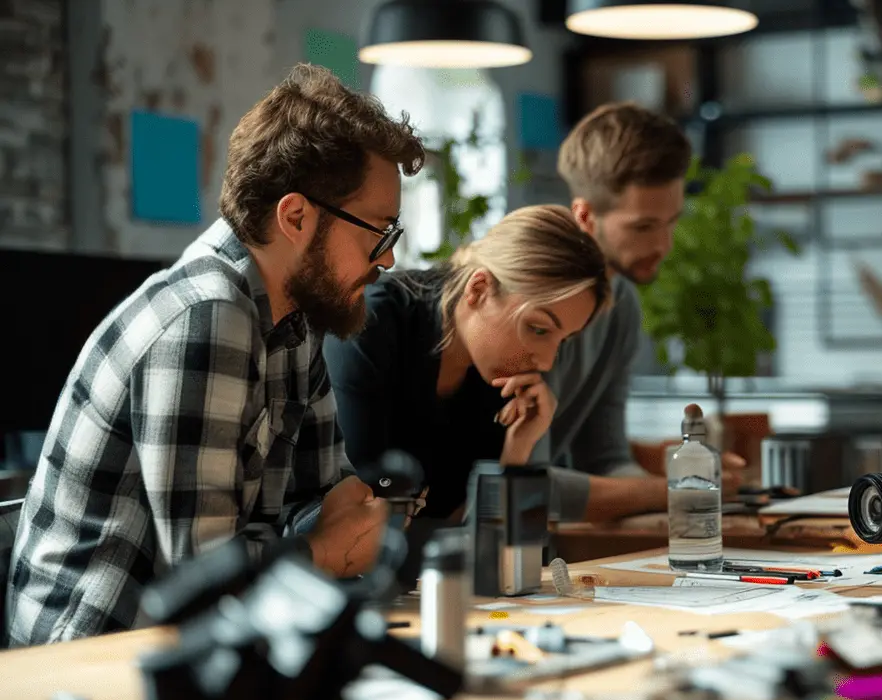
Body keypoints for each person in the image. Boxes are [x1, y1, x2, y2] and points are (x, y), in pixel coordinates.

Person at [6, 64, 425, 646]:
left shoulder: (295, 317)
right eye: (379, 233)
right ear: (296, 217)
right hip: (93, 658)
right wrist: (326, 550)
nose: (386, 261)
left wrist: (347, 514)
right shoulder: (205, 317)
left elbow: (320, 495)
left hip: (198, 644)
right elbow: (206, 575)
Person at [324, 205, 611, 523]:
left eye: (563, 340)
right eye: (538, 328)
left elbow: (478, 544)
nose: (545, 362)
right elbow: (362, 523)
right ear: (479, 289)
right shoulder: (371, 325)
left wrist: (517, 451)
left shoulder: (501, 381)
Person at [548, 102, 745, 522]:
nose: (664, 245)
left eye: (671, 222)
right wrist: (669, 491)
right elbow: (520, 484)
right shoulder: (535, 311)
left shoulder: (622, 307)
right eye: (643, 227)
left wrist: (678, 477)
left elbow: (604, 456)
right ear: (585, 216)